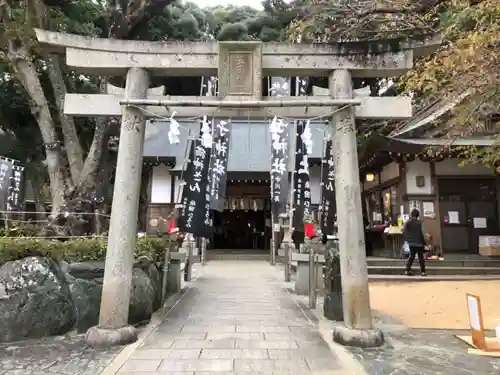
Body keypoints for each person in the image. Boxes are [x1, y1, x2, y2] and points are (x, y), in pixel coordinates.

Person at [403, 209, 427, 276]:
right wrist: (424, 243)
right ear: (418, 215)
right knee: (421, 257)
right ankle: (423, 272)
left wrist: (408, 238)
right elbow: (421, 233)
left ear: (411, 214)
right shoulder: (419, 223)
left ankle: (407, 270)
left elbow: (403, 230)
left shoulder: (408, 222)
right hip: (419, 243)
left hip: (411, 242)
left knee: (411, 256)